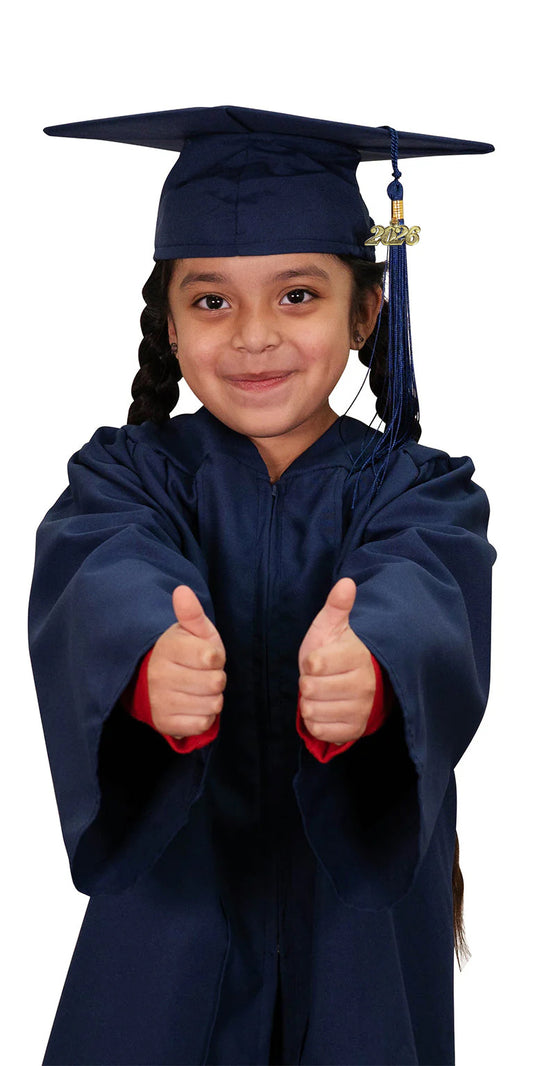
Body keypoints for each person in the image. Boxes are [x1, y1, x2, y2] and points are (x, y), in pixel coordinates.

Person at [29, 105, 496, 1066]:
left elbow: (426, 583)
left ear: (366, 310)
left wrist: (375, 670)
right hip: (174, 916)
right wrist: (144, 660)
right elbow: (105, 560)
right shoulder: (126, 475)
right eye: (210, 301)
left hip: (356, 929)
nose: (251, 337)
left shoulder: (422, 489)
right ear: (167, 315)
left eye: (295, 296)